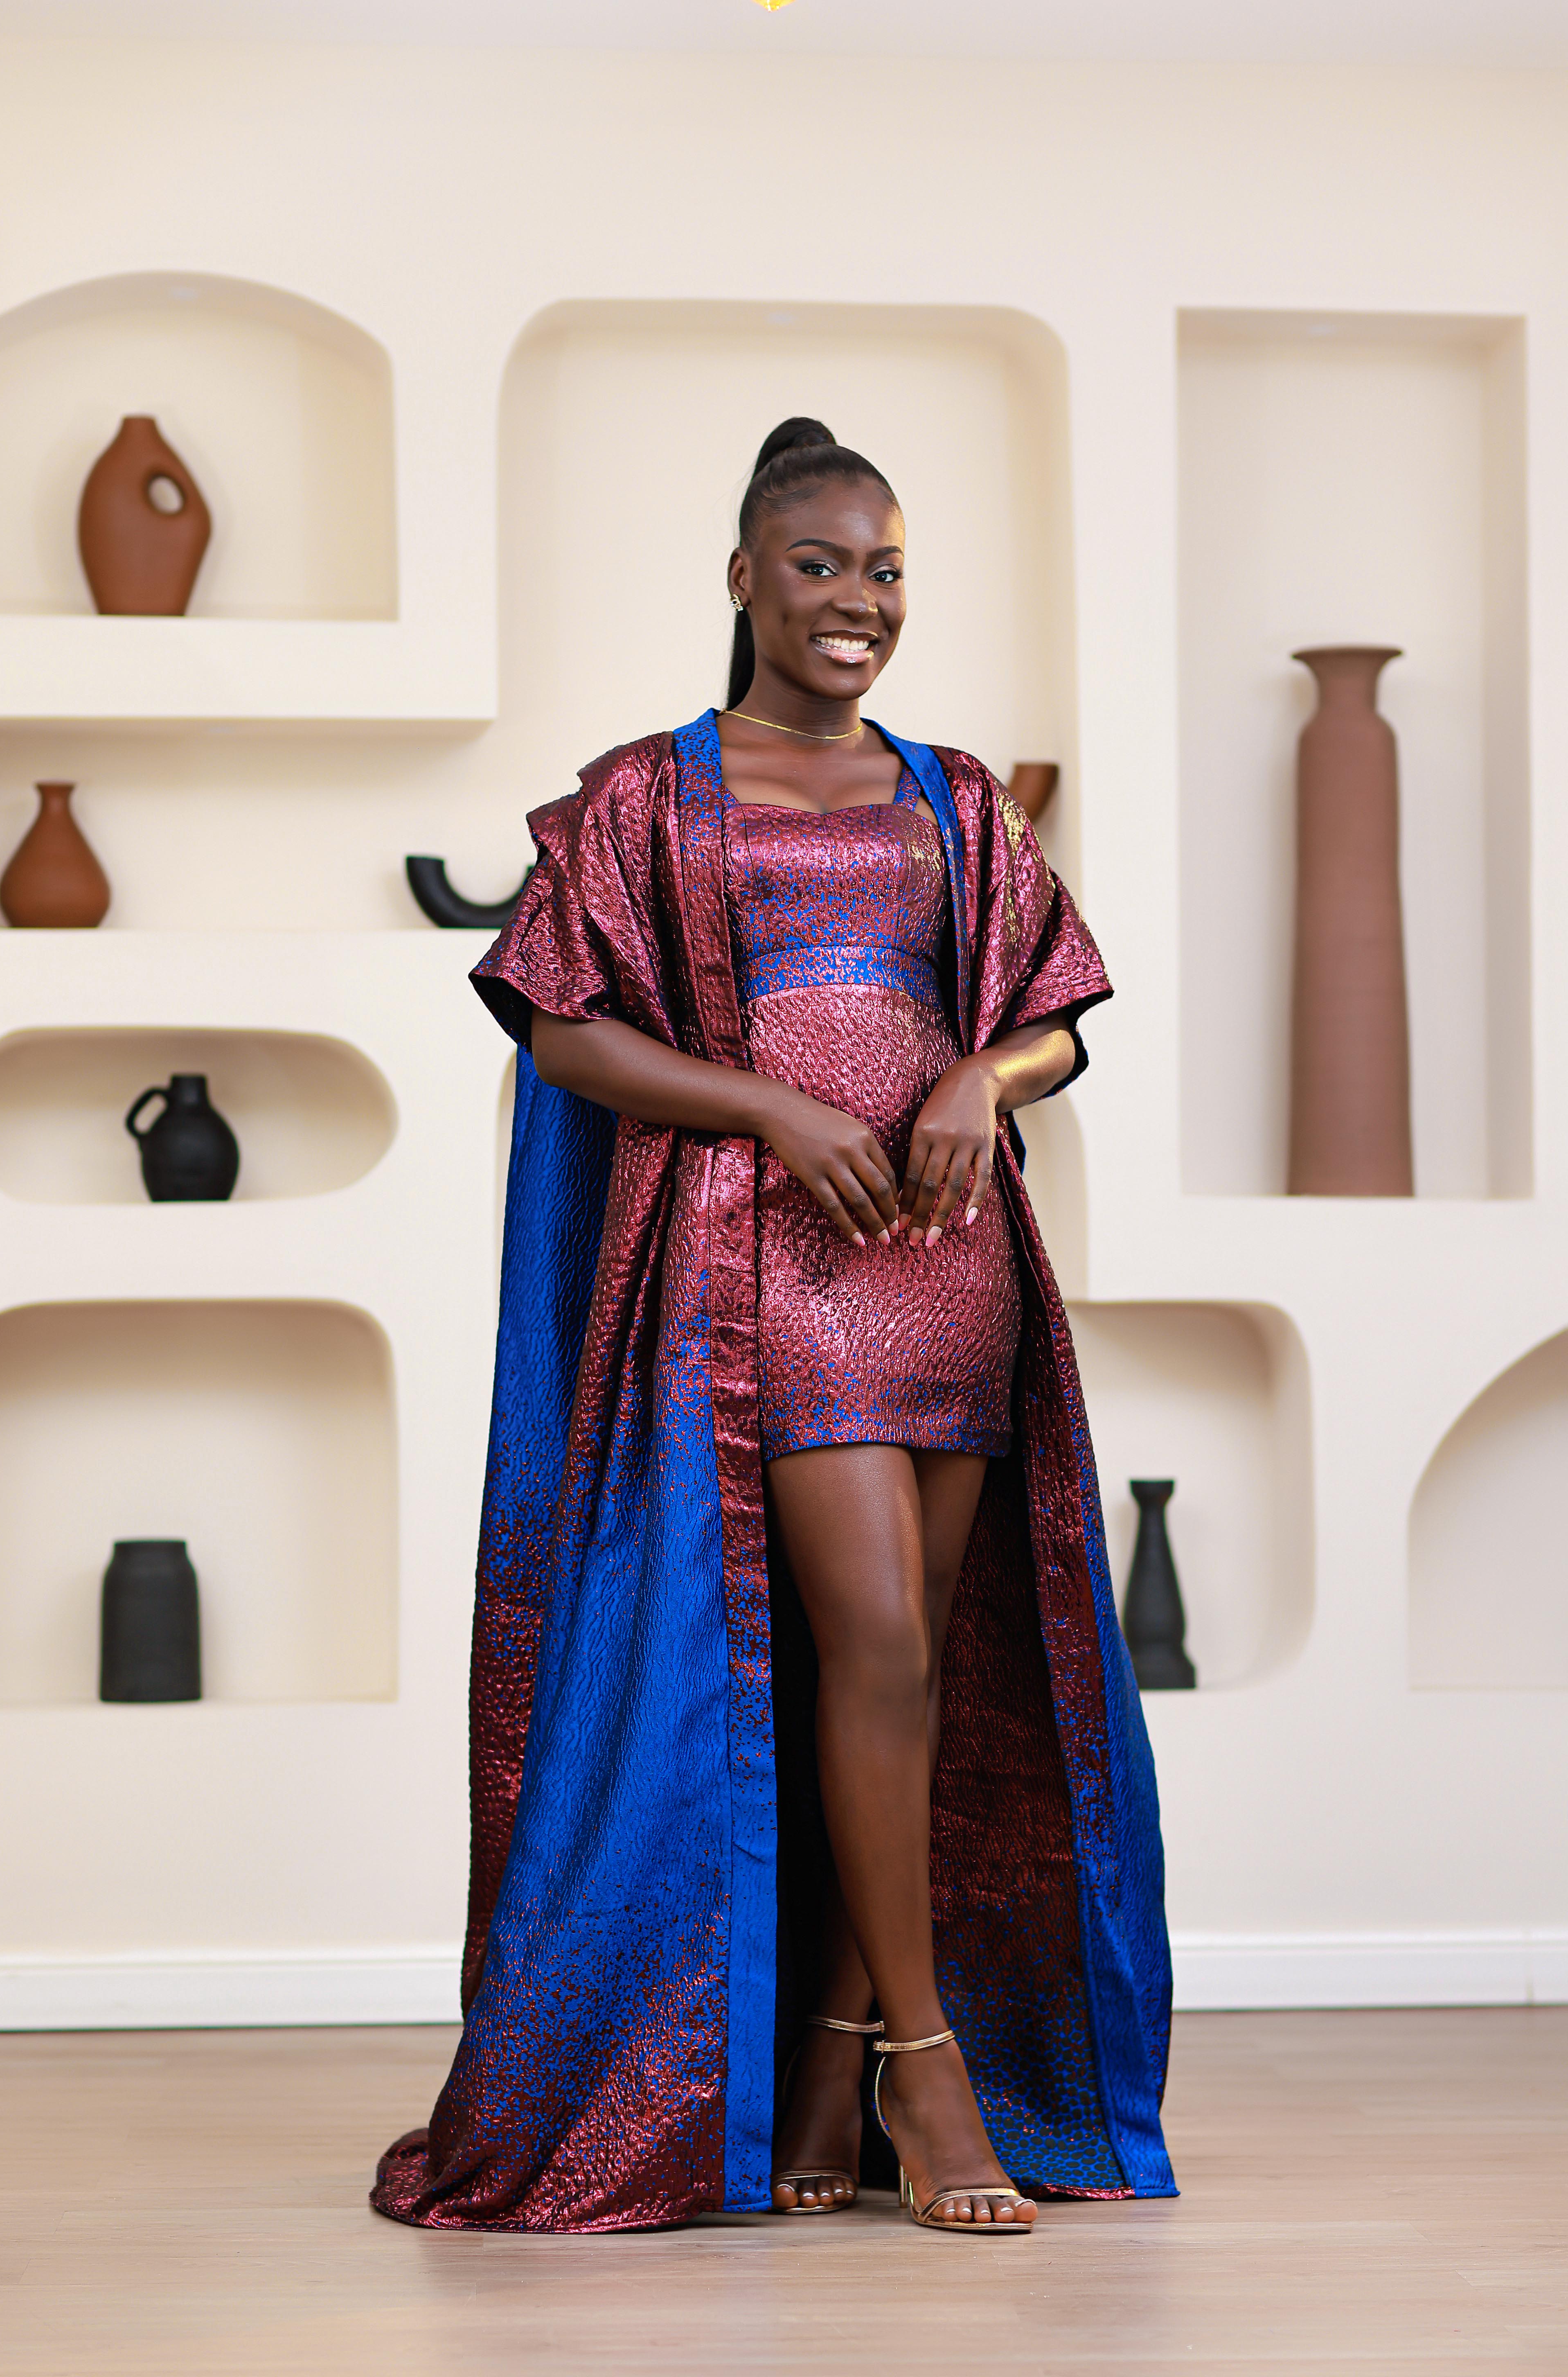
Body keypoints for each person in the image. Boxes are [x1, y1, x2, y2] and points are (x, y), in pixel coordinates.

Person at [373, 419, 1174, 2237]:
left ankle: (823, 2044)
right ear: (744, 578)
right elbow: (556, 1023)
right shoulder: (649, 794)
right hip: (768, 1264)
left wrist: (979, 1065)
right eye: (818, 565)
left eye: (883, 569)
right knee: (870, 1641)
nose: (856, 602)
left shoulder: (958, 795)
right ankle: (923, 2060)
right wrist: (767, 1107)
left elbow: (1058, 1008)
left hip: (946, 1253)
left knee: (921, 1660)